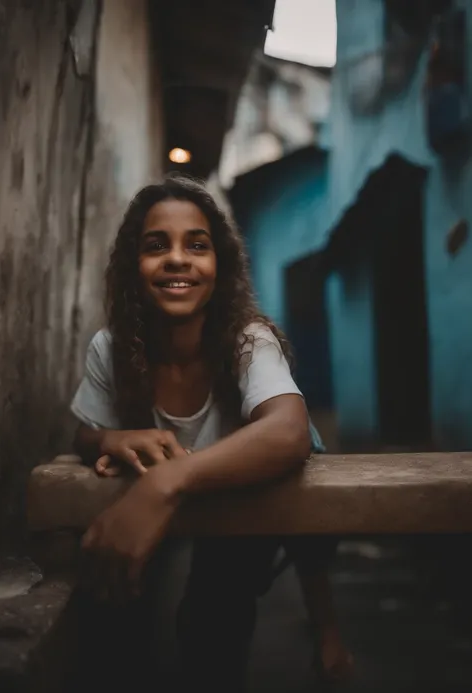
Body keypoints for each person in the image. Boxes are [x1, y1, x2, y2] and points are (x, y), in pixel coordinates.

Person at [70, 176, 352, 692]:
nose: (177, 259)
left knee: (212, 618)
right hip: (180, 506)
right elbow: (85, 432)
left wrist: (164, 482)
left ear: (219, 267)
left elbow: (288, 432)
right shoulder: (112, 348)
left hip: (247, 495)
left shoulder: (246, 341)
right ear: (132, 266)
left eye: (197, 245)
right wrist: (104, 440)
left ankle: (323, 627)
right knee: (117, 619)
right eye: (156, 246)